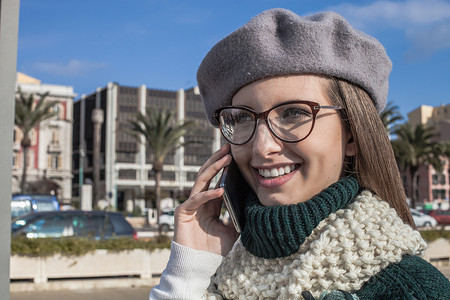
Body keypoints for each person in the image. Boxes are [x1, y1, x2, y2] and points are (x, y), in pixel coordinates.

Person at [150, 8, 450, 299]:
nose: (262, 147)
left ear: (352, 134)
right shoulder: (212, 271)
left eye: (294, 113)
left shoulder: (412, 289)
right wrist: (188, 271)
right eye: (242, 118)